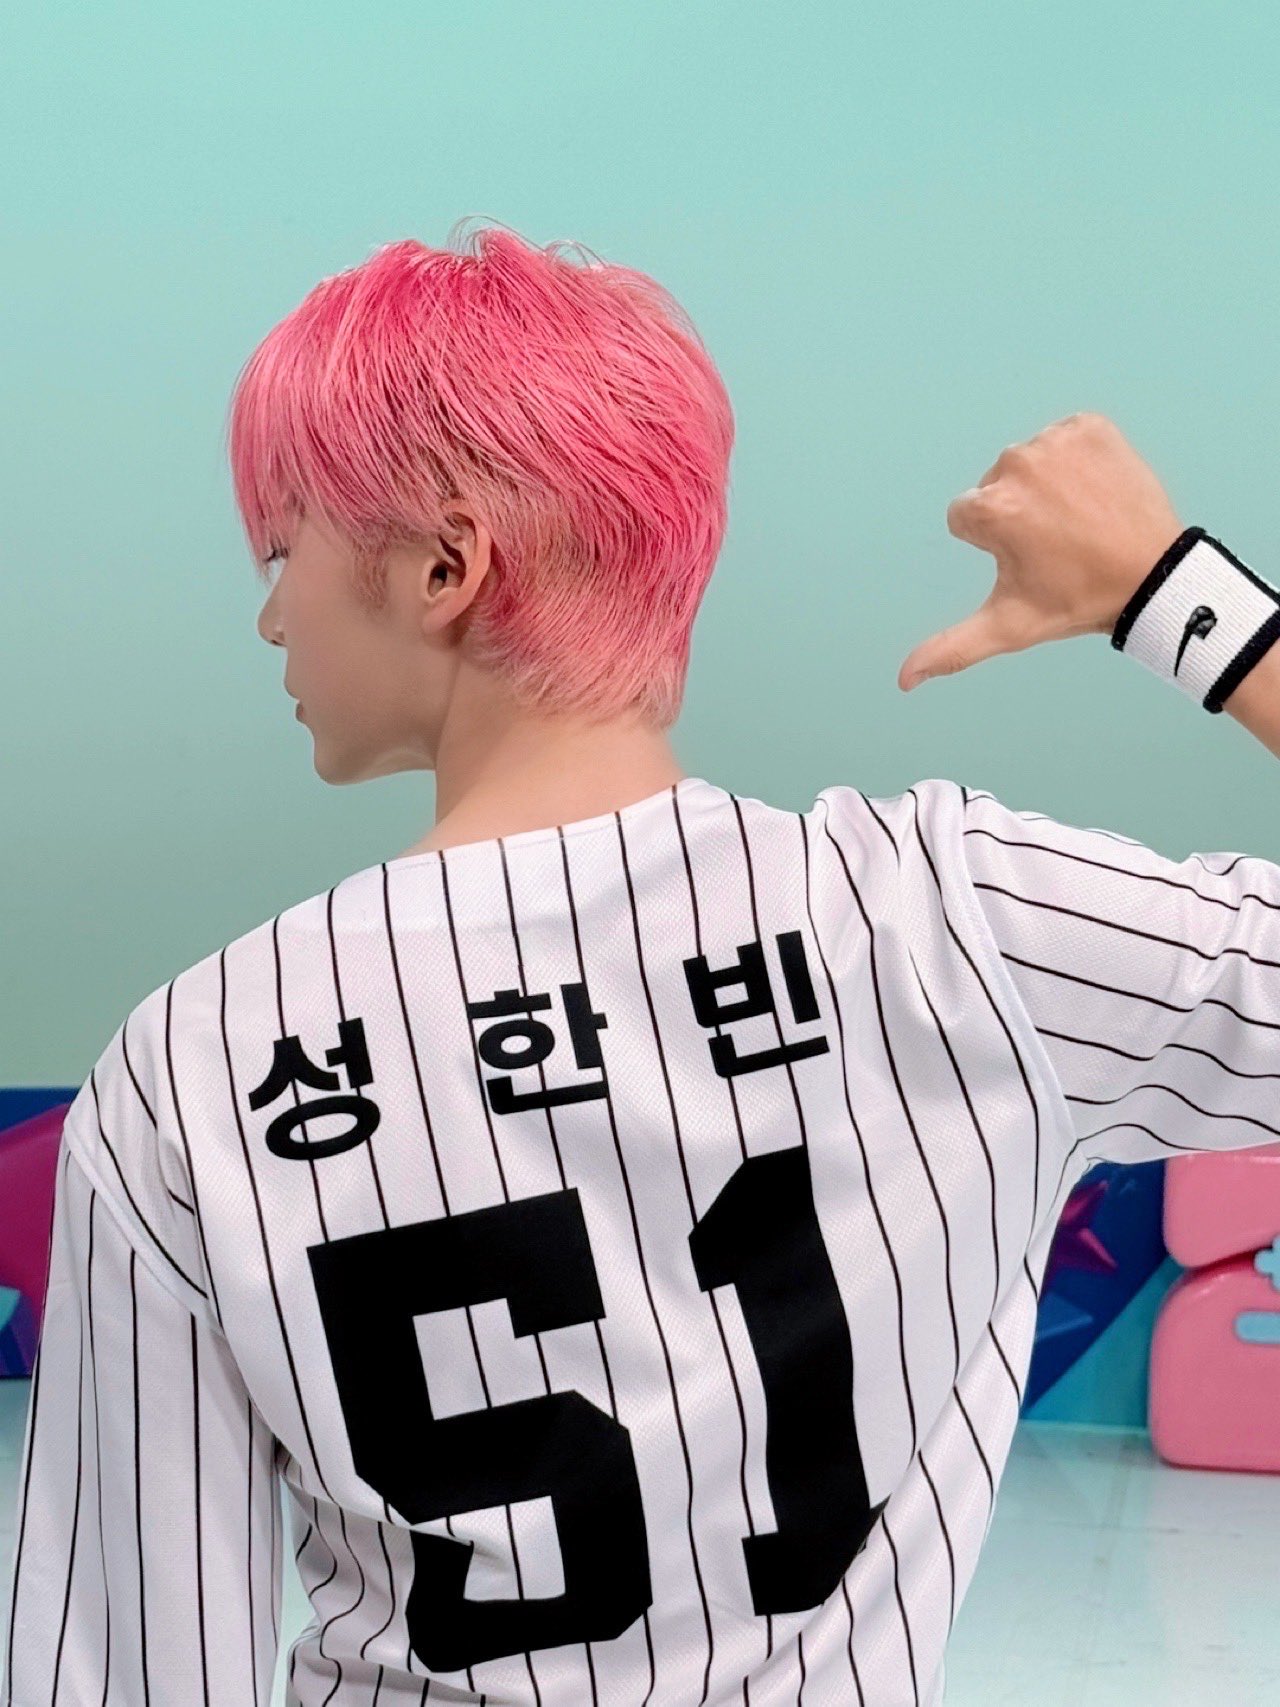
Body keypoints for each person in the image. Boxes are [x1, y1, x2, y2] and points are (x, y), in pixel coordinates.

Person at [4, 222, 1279, 1707]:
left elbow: (124, 1672)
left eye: (285, 550)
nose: (271, 611)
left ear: (444, 565)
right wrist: (1183, 599)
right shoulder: (957, 922)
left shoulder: (193, 1068)